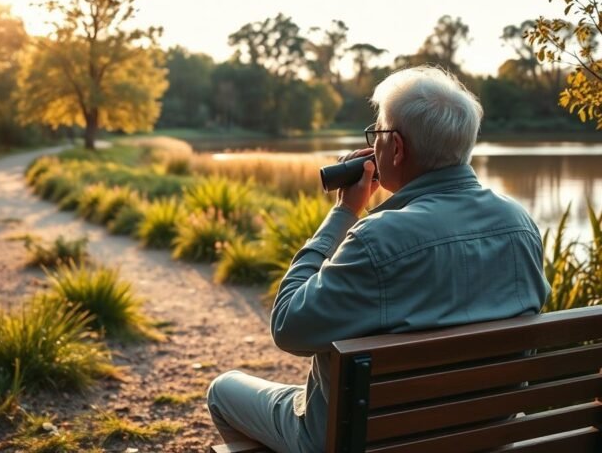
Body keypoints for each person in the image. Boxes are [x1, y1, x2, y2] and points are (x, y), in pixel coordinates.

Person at [206, 66, 551, 453]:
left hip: (367, 439)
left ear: (397, 148)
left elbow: (288, 326)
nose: (373, 145)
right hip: (484, 431)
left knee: (223, 390)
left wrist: (344, 213)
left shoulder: (378, 239)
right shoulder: (519, 224)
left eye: (378, 134)